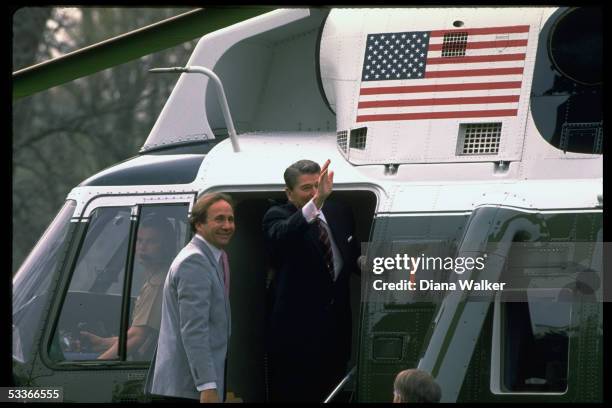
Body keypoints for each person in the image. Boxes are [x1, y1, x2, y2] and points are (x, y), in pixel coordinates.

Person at [262, 159, 360, 402]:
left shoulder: (340, 212)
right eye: (307, 188)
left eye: (318, 185)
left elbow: (351, 255)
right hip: (295, 339)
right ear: (289, 192)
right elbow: (282, 235)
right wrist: (316, 203)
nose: (315, 192)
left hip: (335, 332)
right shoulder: (276, 216)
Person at [144, 193, 235, 403]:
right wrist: (207, 386)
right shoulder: (194, 261)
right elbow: (194, 329)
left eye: (230, 219)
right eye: (219, 219)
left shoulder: (209, 257)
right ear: (199, 224)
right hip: (188, 390)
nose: (227, 225)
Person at [79, 216, 176, 361]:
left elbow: (137, 337)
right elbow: (136, 334)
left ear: (166, 246)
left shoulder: (159, 283)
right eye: (140, 240)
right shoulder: (157, 277)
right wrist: (102, 343)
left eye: (151, 241)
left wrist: (96, 365)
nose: (142, 247)